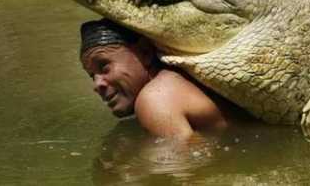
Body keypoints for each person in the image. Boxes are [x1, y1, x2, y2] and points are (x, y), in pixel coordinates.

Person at [80, 18, 243, 139]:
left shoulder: (155, 99)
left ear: (145, 53)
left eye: (104, 67)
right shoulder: (181, 79)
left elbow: (183, 174)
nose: (97, 84)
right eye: (92, 75)